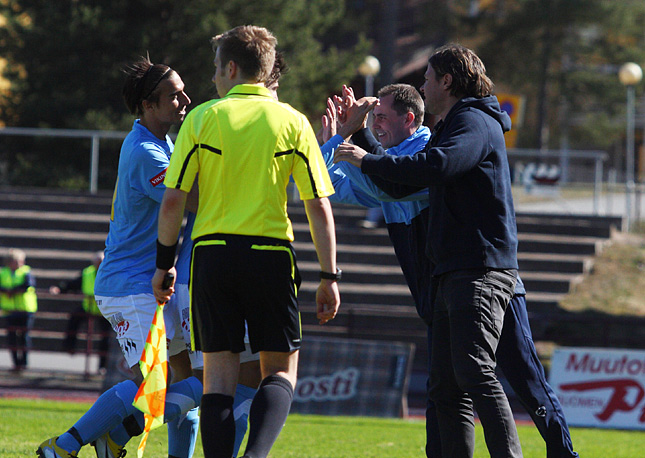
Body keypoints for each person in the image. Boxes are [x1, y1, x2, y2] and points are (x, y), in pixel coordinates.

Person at [322, 83, 578, 458]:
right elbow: (323, 187)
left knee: (521, 379)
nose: (373, 126)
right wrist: (330, 143)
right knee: (444, 388)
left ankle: (563, 454)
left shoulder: (426, 153)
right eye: (372, 119)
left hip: (483, 283)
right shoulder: (387, 160)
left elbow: (391, 186)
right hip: (442, 289)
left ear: (409, 118)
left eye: (379, 118)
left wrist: (352, 140)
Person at [152, 25, 339, 458]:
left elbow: (173, 201)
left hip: (212, 256)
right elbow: (318, 207)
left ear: (232, 67)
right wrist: (330, 276)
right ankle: (255, 454)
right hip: (270, 255)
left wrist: (164, 265)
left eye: (217, 68)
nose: (215, 77)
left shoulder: (202, 117)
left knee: (218, 378)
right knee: (281, 372)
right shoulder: (293, 121)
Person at [334, 44, 522, 458]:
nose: (423, 85)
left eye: (427, 78)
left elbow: (432, 167)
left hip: (478, 267)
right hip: (449, 270)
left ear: (447, 82)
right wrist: (351, 141)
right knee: (445, 386)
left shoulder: (472, 120)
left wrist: (364, 156)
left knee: (475, 373)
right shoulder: (456, 122)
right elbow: (396, 181)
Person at [38, 57, 206, 458]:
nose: (185, 99)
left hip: (150, 283)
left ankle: (110, 441)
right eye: (174, 95)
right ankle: (66, 446)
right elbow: (192, 199)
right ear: (149, 105)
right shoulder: (148, 151)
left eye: (183, 90)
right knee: (164, 388)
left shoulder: (161, 142)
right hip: (129, 286)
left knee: (187, 387)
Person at [49, 251, 111, 372]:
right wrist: (60, 288)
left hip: (104, 311)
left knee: (106, 337)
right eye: (97, 262)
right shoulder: (87, 273)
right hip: (89, 307)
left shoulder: (110, 274)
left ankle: (102, 366)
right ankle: (69, 347)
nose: (99, 264)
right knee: (74, 319)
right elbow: (74, 284)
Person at [0, 248, 37, 372]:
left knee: (24, 337)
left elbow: (28, 285)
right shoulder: (3, 272)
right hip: (9, 309)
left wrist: (12, 291)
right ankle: (16, 364)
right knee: (12, 338)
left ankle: (24, 363)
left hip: (25, 309)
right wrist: (6, 290)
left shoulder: (26, 271)